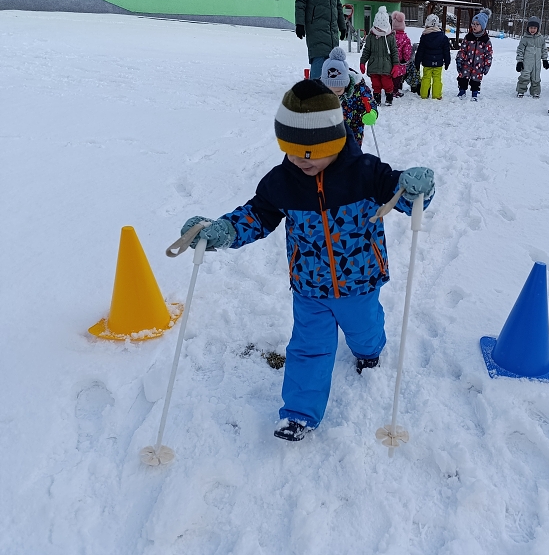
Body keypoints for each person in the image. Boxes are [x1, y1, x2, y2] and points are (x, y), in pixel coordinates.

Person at [178, 80, 435, 442]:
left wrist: (416, 188)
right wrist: (222, 231)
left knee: (364, 330)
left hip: (360, 281)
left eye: (312, 153)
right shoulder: (283, 181)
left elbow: (403, 196)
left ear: (335, 141)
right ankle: (299, 413)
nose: (302, 161)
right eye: (293, 151)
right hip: (309, 286)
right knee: (308, 347)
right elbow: (257, 215)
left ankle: (370, 351)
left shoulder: (364, 172)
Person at [294, 0, 347, 80]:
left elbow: (337, 4)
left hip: (332, 30)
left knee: (332, 67)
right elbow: (301, 0)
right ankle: (315, 90)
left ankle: (329, 91)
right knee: (319, 61)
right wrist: (300, 23)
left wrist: (342, 26)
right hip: (315, 27)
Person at [320, 47, 378, 147]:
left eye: (338, 91)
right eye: (330, 91)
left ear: (346, 85)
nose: (334, 95)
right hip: (327, 135)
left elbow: (369, 102)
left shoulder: (358, 89)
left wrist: (371, 113)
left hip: (353, 134)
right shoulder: (318, 91)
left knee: (350, 154)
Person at [360, 6, 400, 107]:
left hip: (386, 66)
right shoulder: (371, 37)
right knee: (376, 84)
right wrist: (362, 62)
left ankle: (389, 98)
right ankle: (376, 99)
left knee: (387, 83)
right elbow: (366, 50)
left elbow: (394, 51)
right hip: (373, 65)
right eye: (377, 28)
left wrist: (396, 65)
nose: (379, 30)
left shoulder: (390, 37)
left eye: (381, 28)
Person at [456, 8, 493, 101]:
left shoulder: (486, 40)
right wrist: (459, 59)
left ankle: (474, 94)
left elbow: (488, 54)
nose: (474, 26)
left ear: (482, 26)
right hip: (466, 63)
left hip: (479, 65)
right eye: (473, 24)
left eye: (477, 24)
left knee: (476, 80)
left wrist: (487, 65)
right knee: (463, 78)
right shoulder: (468, 37)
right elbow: (462, 49)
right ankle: (462, 91)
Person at [414, 14, 451, 100]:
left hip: (427, 63)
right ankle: (436, 95)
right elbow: (446, 51)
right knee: (437, 78)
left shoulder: (424, 36)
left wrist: (417, 62)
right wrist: (447, 62)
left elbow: (420, 51)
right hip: (438, 63)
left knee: (426, 78)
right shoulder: (443, 37)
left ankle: (424, 95)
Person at [515, 16, 549, 98]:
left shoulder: (541, 39)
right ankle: (521, 91)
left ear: (538, 29)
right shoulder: (525, 39)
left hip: (537, 64)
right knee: (524, 77)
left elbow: (544, 50)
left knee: (536, 78)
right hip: (526, 63)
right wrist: (520, 61)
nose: (532, 30)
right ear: (528, 28)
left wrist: (545, 60)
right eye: (531, 28)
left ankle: (535, 92)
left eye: (534, 28)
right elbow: (520, 50)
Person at [390, 11, 412, 98]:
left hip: (390, 60)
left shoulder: (389, 36)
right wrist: (406, 59)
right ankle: (395, 91)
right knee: (397, 77)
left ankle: (389, 89)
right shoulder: (405, 38)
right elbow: (406, 50)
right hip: (400, 61)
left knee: (390, 76)